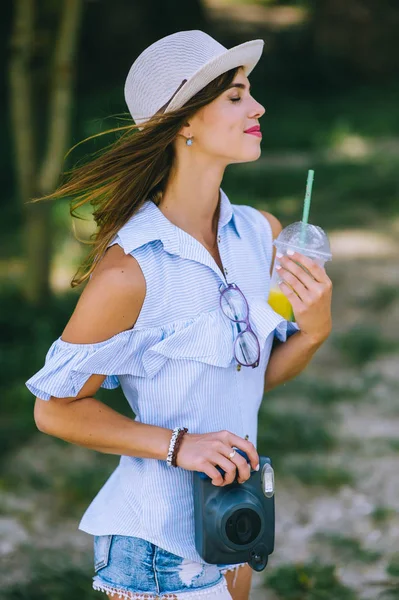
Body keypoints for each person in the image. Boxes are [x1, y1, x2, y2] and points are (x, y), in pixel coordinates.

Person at [25, 30, 333, 600]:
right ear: (184, 122)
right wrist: (179, 445)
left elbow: (251, 374)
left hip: (235, 523)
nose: (258, 106)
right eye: (236, 96)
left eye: (250, 92)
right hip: (155, 545)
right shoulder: (131, 272)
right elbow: (55, 410)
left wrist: (314, 331)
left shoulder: (259, 233)